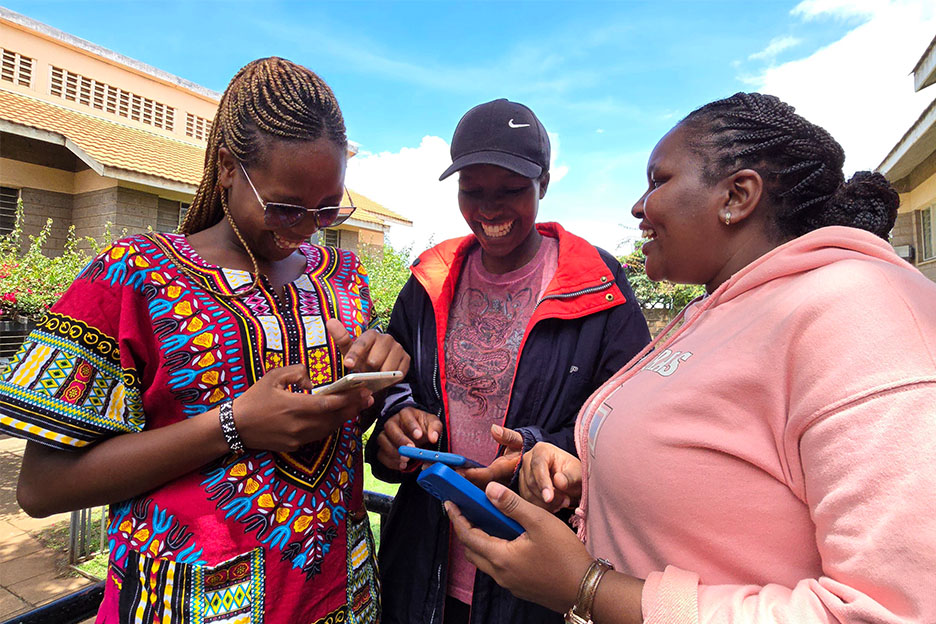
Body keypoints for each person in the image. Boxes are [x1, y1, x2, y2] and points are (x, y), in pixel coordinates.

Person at [447, 92, 936, 623]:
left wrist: (589, 589)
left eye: (658, 181)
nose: (639, 205)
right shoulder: (719, 311)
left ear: (737, 195)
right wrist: (584, 468)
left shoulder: (861, 312)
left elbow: (892, 608)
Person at [0, 57, 410, 623]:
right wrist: (231, 427)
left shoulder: (343, 279)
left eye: (327, 209)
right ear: (225, 169)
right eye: (286, 206)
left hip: (339, 598)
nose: (305, 227)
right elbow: (42, 489)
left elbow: (334, 435)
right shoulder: (134, 275)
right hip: (192, 600)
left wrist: (378, 398)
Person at [366, 98, 651, 624]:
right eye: (472, 191)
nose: (489, 210)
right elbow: (393, 380)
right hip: (425, 559)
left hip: (538, 572)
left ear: (543, 183)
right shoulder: (429, 277)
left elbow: (631, 418)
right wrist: (395, 424)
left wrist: (545, 450)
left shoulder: (597, 282)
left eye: (512, 191)